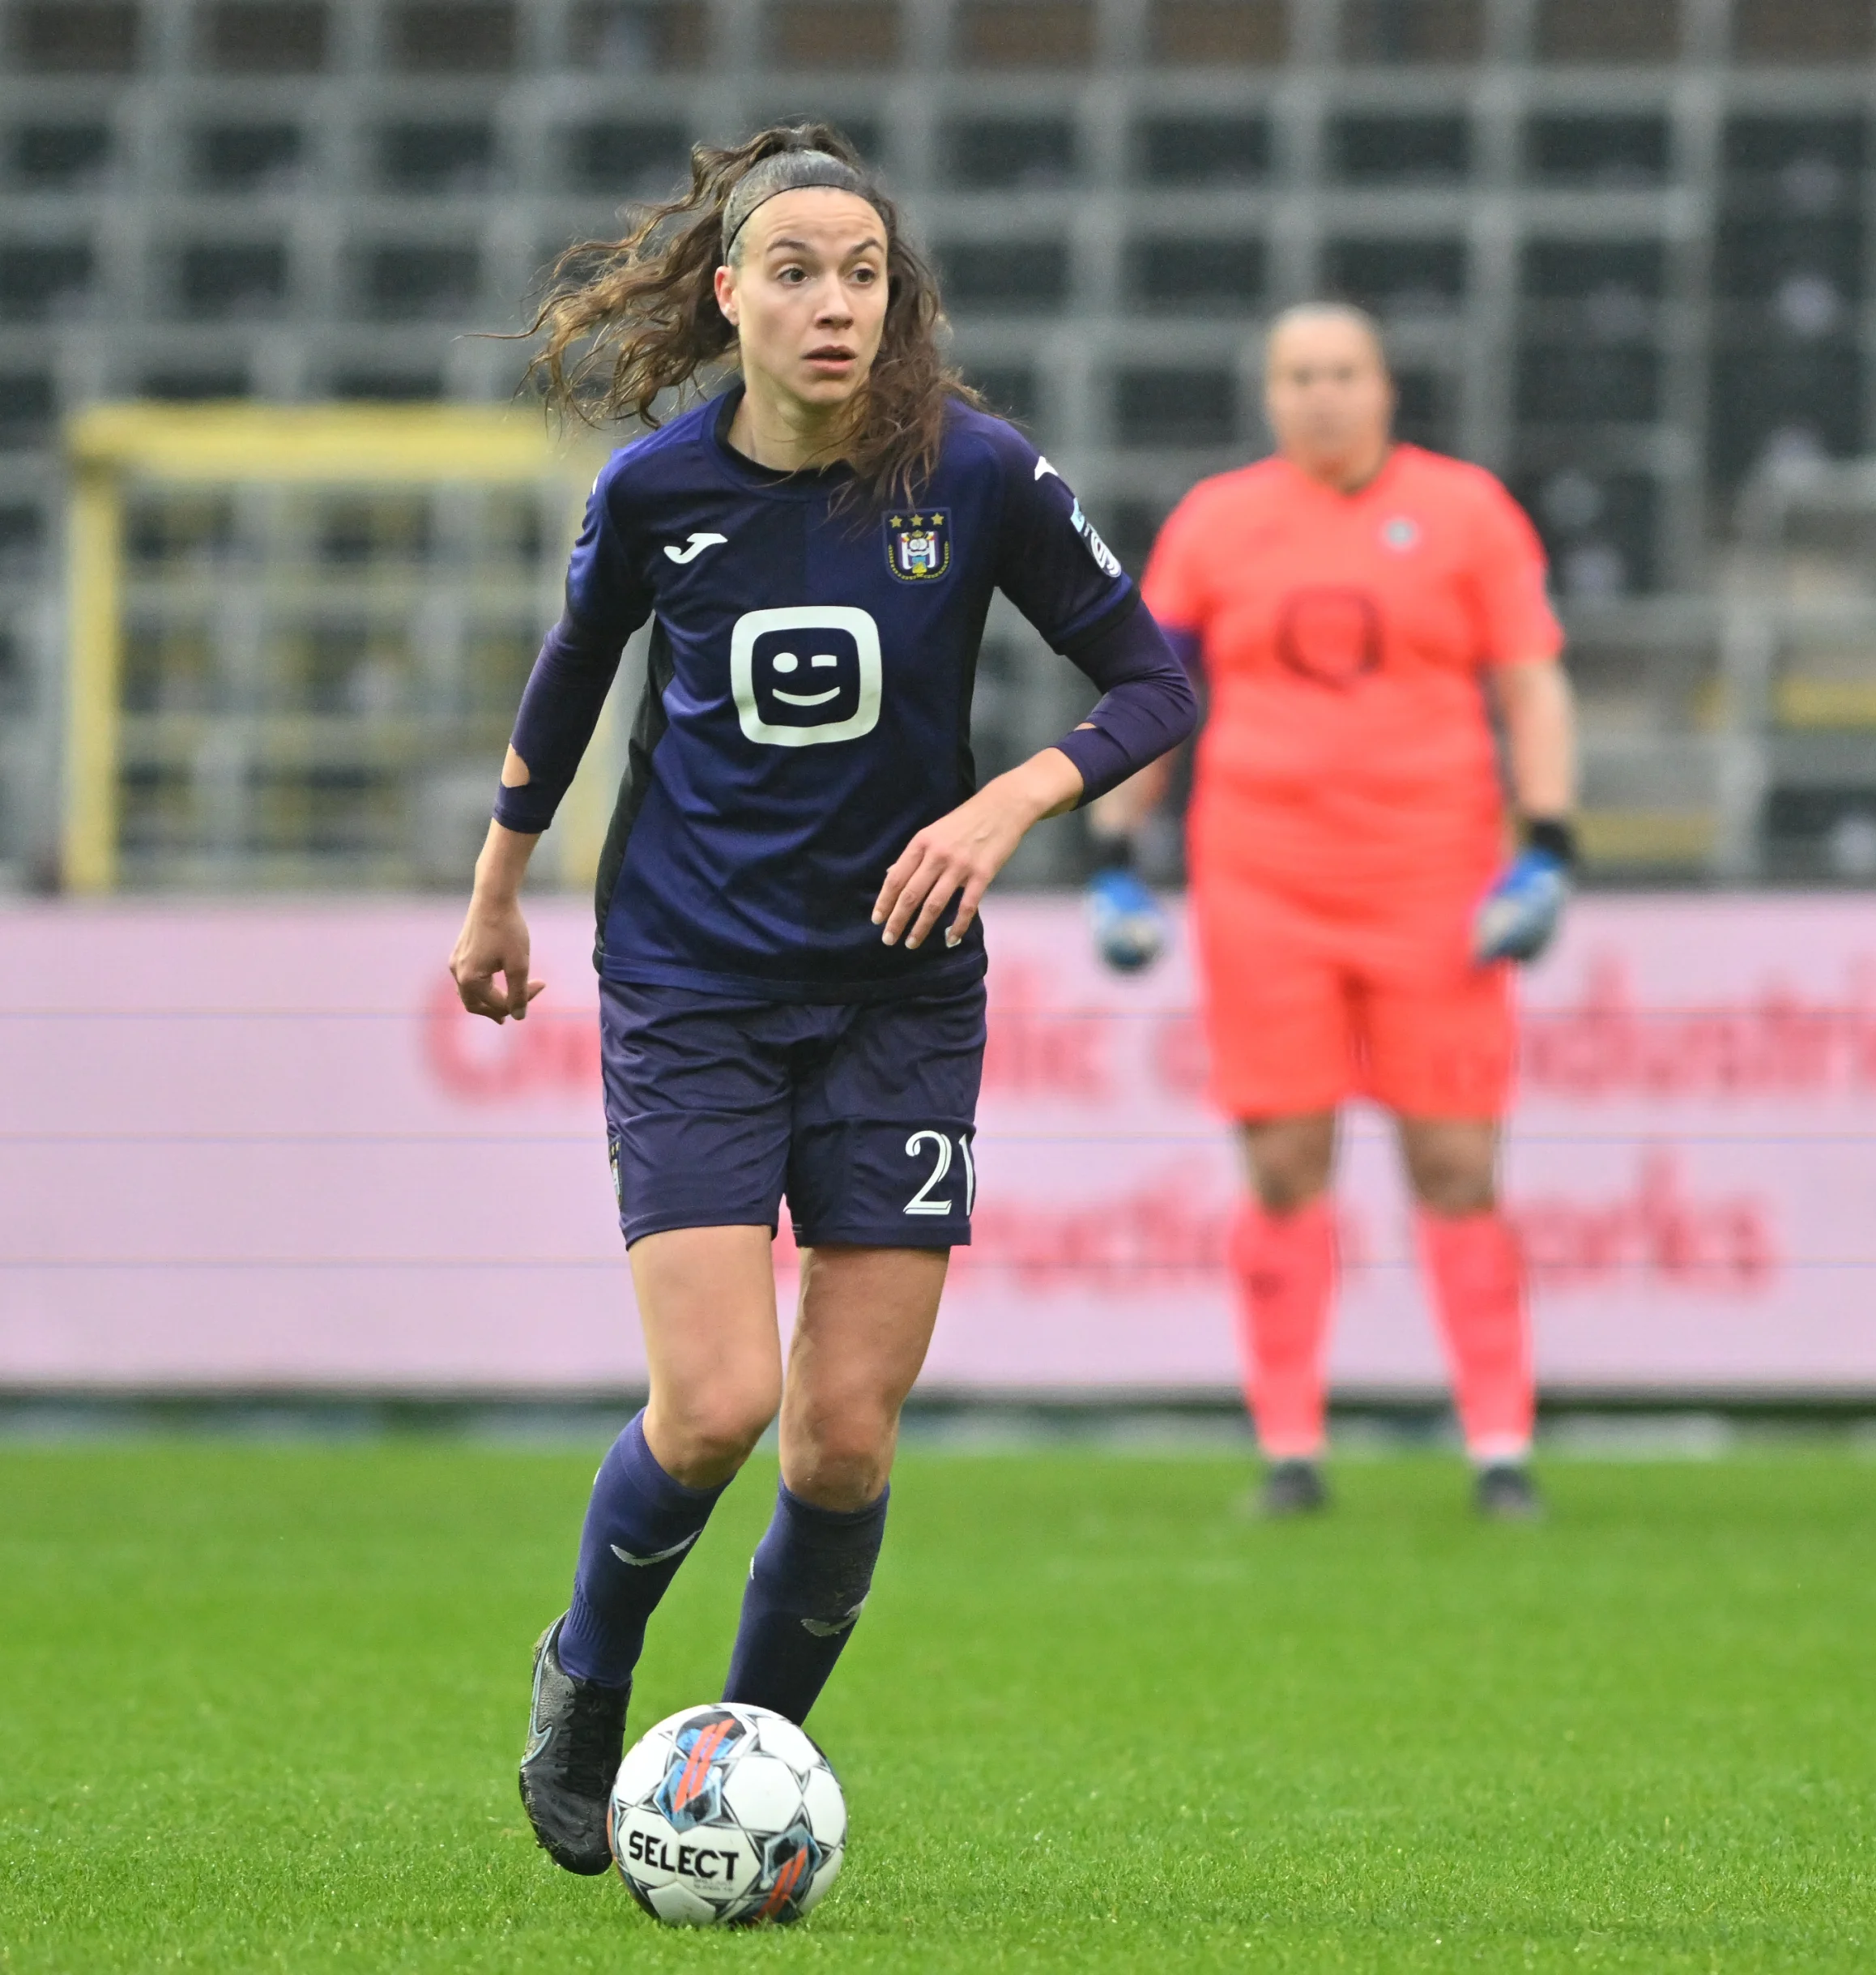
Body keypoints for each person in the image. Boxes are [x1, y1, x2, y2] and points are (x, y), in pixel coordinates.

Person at [449, 124, 1196, 1877]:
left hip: (899, 1002)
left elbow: (1154, 681)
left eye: (864, 273)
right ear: (731, 297)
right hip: (694, 981)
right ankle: (589, 1670)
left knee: (844, 1438)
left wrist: (1011, 798)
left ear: (895, 298)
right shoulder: (656, 494)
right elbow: (573, 682)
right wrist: (495, 882)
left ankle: (744, 1777)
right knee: (716, 1406)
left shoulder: (983, 477)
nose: (835, 302)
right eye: (796, 271)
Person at [1086, 303, 1577, 1521]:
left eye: (1342, 372)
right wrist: (1111, 849)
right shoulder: (1218, 521)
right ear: (1270, 394)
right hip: (1263, 883)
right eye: (1297, 375)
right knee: (1284, 1160)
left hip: (1436, 881)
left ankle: (1500, 1445)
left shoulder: (1468, 513)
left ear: (1385, 387)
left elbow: (1529, 680)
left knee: (1457, 1161)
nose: (1320, 394)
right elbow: (1155, 688)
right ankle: (1292, 1446)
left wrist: (1550, 843)